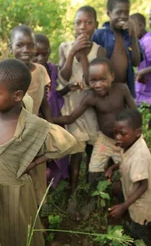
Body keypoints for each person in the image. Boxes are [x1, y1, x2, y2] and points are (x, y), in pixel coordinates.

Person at [0, 59, 76, 246]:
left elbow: (67, 143)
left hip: (15, 196)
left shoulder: (32, 125)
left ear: (18, 95)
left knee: (18, 240)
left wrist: (36, 161)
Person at [54, 58, 136, 217]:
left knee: (128, 172)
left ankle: (127, 204)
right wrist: (49, 119)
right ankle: (94, 201)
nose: (98, 84)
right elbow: (71, 118)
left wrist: (131, 137)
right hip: (104, 140)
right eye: (93, 81)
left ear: (112, 76)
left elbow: (134, 112)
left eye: (102, 79)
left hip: (124, 142)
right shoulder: (91, 97)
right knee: (94, 170)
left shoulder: (122, 89)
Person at [58, 6, 104, 209]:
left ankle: (93, 194)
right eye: (78, 23)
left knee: (93, 152)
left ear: (95, 25)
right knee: (75, 155)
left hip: (91, 108)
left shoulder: (98, 50)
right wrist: (72, 53)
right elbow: (63, 77)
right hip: (72, 106)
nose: (83, 27)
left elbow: (90, 80)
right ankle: (73, 193)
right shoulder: (65, 47)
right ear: (73, 26)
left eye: (88, 22)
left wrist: (83, 54)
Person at [106, 109, 151, 243]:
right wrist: (113, 167)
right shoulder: (129, 143)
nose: (117, 137)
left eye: (122, 133)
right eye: (115, 133)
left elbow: (144, 186)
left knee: (139, 228)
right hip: (139, 189)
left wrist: (123, 206)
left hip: (146, 197)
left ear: (137, 132)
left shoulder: (139, 155)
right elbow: (125, 160)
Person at [9, 25, 53, 204]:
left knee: (38, 176)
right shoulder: (6, 72)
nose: (26, 50)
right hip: (13, 135)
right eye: (19, 45)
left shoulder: (41, 71)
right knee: (17, 176)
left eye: (30, 45)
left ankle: (39, 215)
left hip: (36, 132)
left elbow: (44, 103)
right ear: (10, 47)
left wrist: (50, 128)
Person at [34, 33, 69, 188]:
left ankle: (55, 183)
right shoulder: (29, 71)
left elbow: (53, 93)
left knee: (55, 151)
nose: (41, 58)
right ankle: (40, 182)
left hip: (52, 115)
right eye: (37, 54)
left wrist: (67, 89)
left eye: (45, 54)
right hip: (37, 118)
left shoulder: (53, 69)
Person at [92, 0, 141, 97]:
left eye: (126, 13)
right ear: (109, 14)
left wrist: (133, 35)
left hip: (125, 90)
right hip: (104, 91)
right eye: (118, 12)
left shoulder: (129, 36)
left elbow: (136, 62)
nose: (123, 16)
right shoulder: (99, 35)